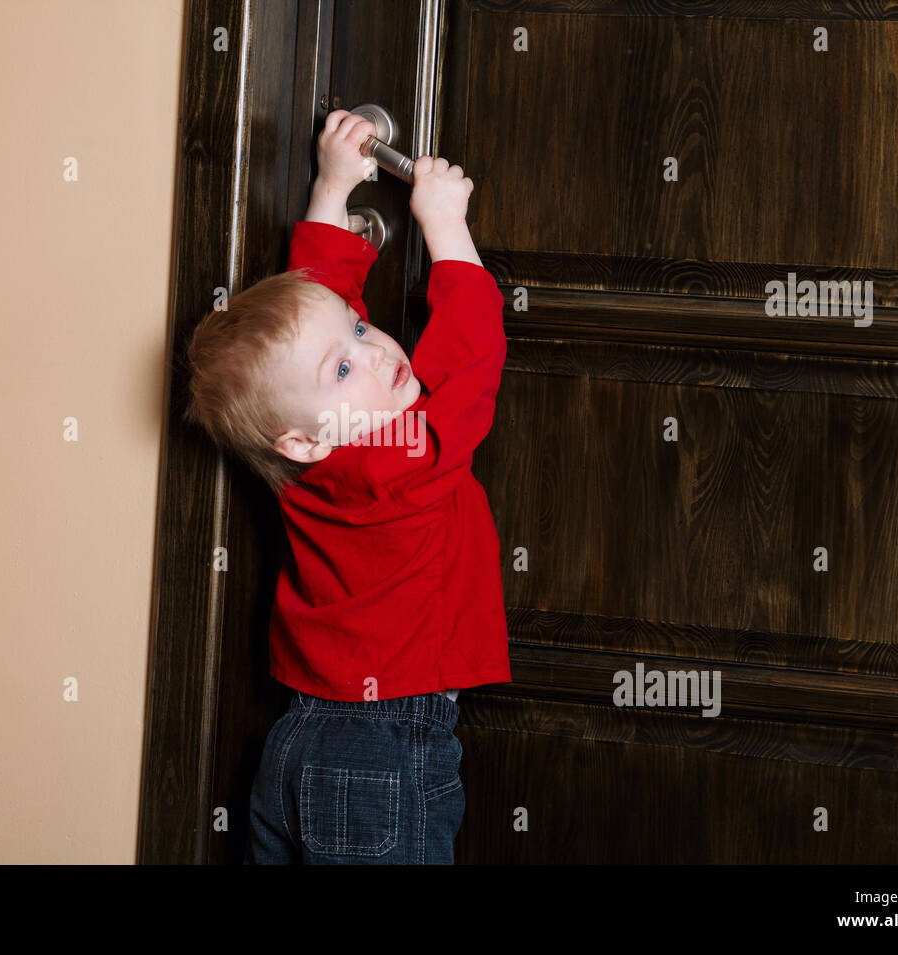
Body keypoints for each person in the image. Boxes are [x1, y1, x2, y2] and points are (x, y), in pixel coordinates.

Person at [185, 109, 510, 863]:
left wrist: (334, 187)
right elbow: (470, 359)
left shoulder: (311, 458)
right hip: (382, 751)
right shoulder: (400, 454)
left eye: (361, 334)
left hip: (301, 739)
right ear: (298, 435)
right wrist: (444, 225)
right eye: (343, 368)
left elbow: (321, 307)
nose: (373, 351)